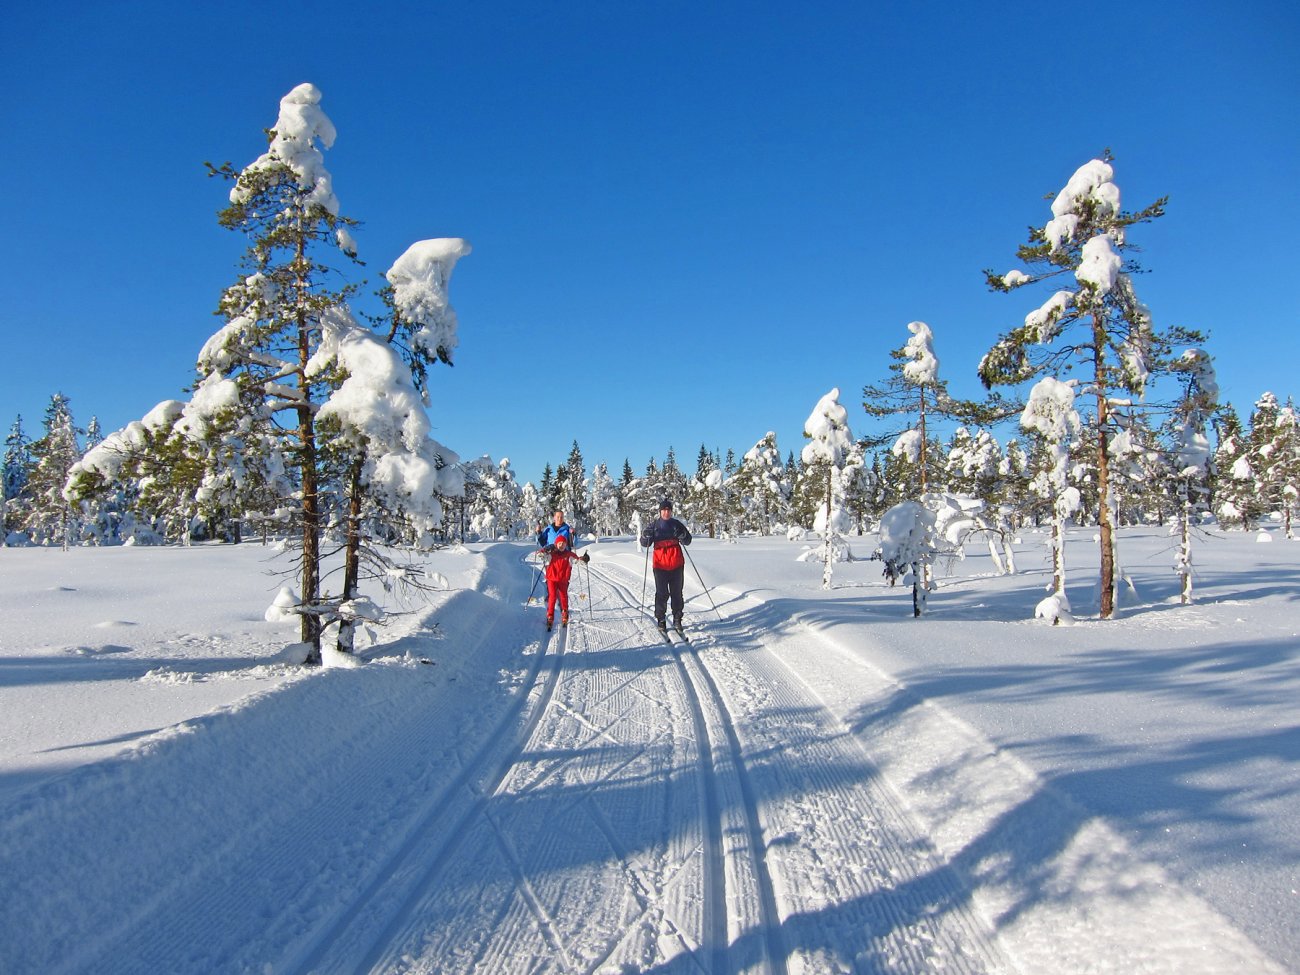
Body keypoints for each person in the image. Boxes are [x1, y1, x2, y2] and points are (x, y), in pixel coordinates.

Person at [640, 499, 692, 632]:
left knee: (677, 593)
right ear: (660, 511)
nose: (666, 512)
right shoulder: (654, 526)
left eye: (668, 510)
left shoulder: (676, 524)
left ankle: (677, 619)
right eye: (664, 510)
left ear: (671, 511)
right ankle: (661, 620)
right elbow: (644, 543)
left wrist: (683, 535)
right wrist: (645, 537)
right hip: (660, 565)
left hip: (677, 564)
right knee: (662, 593)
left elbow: (688, 541)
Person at [539, 534, 588, 630]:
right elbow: (541, 555)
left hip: (563, 580)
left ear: (566, 545)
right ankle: (550, 615)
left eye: (563, 544)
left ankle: (565, 612)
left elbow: (578, 560)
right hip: (551, 579)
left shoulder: (569, 555)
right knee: (552, 596)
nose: (561, 545)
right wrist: (544, 550)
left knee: (563, 596)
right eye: (559, 543)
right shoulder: (551, 554)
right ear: (556, 544)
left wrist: (584, 559)